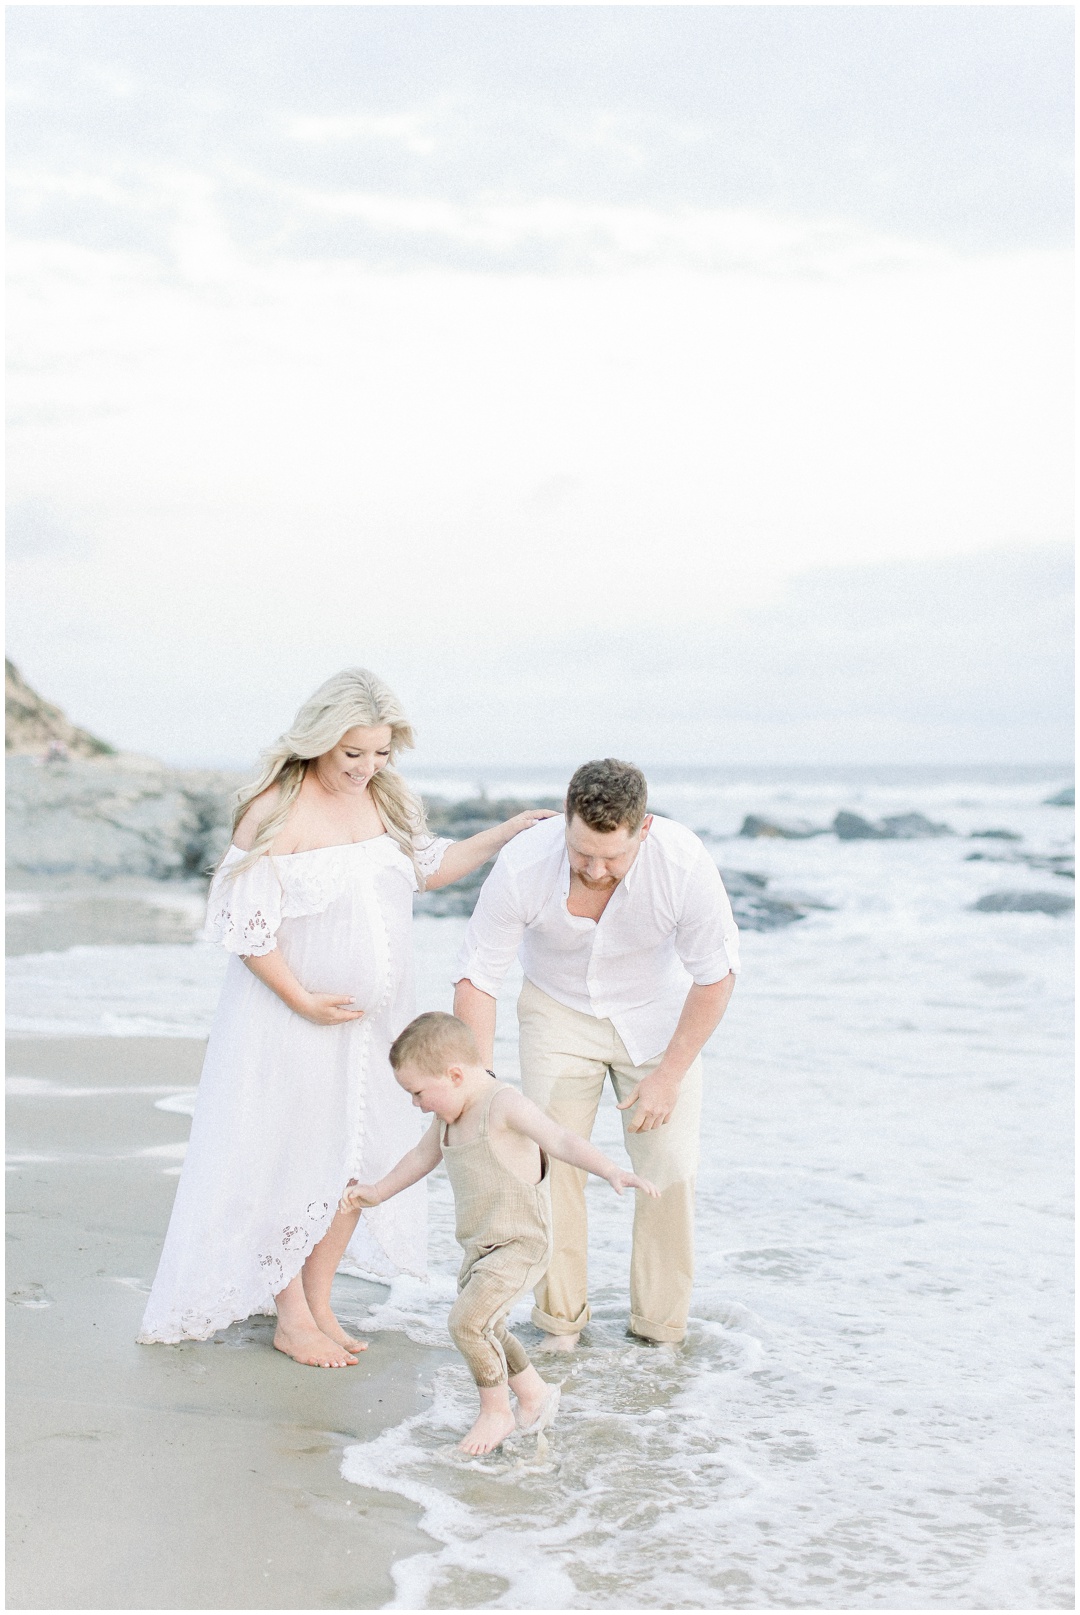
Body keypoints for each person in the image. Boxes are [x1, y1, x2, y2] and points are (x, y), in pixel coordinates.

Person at [138, 668, 554, 1368]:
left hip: (377, 1028)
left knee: (356, 1160)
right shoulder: (275, 808)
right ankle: (290, 1314)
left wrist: (505, 833)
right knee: (292, 1156)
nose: (366, 767)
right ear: (320, 740)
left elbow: (429, 867)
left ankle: (320, 1298)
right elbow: (244, 923)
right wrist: (301, 997)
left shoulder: (385, 801)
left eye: (381, 752)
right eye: (352, 753)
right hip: (293, 1019)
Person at [453, 758, 740, 1351]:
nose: (594, 868)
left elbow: (716, 976)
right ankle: (559, 1324)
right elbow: (478, 977)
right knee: (549, 1166)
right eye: (582, 851)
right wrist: (478, 1084)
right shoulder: (526, 862)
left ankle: (659, 1330)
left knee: (670, 1172)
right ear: (566, 820)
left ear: (644, 829)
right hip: (556, 1011)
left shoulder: (683, 862)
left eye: (612, 857)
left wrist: (670, 1074)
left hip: (657, 1021)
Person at [340, 1012, 658, 1454]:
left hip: (521, 1243)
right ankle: (534, 1394)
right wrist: (377, 1191)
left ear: (454, 1075)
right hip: (479, 1246)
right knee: (491, 1327)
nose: (416, 1103)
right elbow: (419, 1159)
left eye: (417, 1092)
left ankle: (496, 1412)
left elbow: (561, 1140)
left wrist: (612, 1171)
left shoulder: (503, 1105)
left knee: (467, 1324)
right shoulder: (448, 1119)